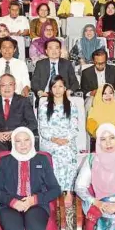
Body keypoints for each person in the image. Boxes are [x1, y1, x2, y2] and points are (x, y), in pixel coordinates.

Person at [0, 127, 61, 230]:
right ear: (13, 143)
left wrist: (34, 199)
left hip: (37, 205)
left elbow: (55, 189)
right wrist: (12, 202)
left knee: (36, 229)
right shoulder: (5, 161)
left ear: (32, 141)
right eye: (18, 141)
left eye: (26, 140)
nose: (23, 144)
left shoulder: (42, 160)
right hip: (9, 205)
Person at [37, 76, 79, 206]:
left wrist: (65, 140)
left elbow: (75, 128)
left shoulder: (72, 106)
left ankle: (68, 191)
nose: (58, 89)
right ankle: (55, 190)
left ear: (65, 88)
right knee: (57, 153)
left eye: (60, 86)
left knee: (67, 152)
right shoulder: (44, 106)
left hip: (67, 141)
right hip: (49, 141)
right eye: (54, 87)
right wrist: (55, 139)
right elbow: (42, 128)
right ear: (50, 89)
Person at [0, 73, 37, 157]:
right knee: (1, 153)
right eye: (3, 85)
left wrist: (15, 133)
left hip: (19, 141)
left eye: (10, 84)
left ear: (15, 86)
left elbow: (33, 124)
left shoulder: (23, 101)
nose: (7, 88)